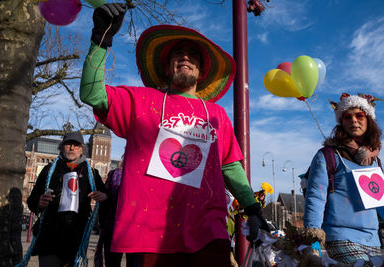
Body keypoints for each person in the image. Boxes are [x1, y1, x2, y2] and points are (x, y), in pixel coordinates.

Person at [79, 3, 269, 267]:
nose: (185, 58)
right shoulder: (140, 101)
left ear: (202, 72)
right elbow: (91, 94)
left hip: (208, 231)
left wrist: (252, 207)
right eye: (177, 55)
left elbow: (230, 166)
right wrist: (101, 39)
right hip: (148, 231)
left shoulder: (217, 115)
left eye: (193, 55)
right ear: (167, 69)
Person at [303, 93, 384, 265]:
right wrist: (313, 239)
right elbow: (316, 197)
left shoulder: (375, 161)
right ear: (341, 121)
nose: (354, 120)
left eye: (359, 115)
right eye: (347, 116)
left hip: (373, 241)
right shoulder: (328, 155)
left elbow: (383, 201)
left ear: (369, 119)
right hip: (340, 237)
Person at [27, 132, 108, 267]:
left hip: (77, 238)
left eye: (76, 145)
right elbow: (32, 201)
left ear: (82, 149)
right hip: (50, 237)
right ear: (62, 147)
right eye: (68, 144)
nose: (72, 148)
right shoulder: (48, 170)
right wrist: (38, 202)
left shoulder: (92, 173)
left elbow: (107, 199)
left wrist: (105, 197)